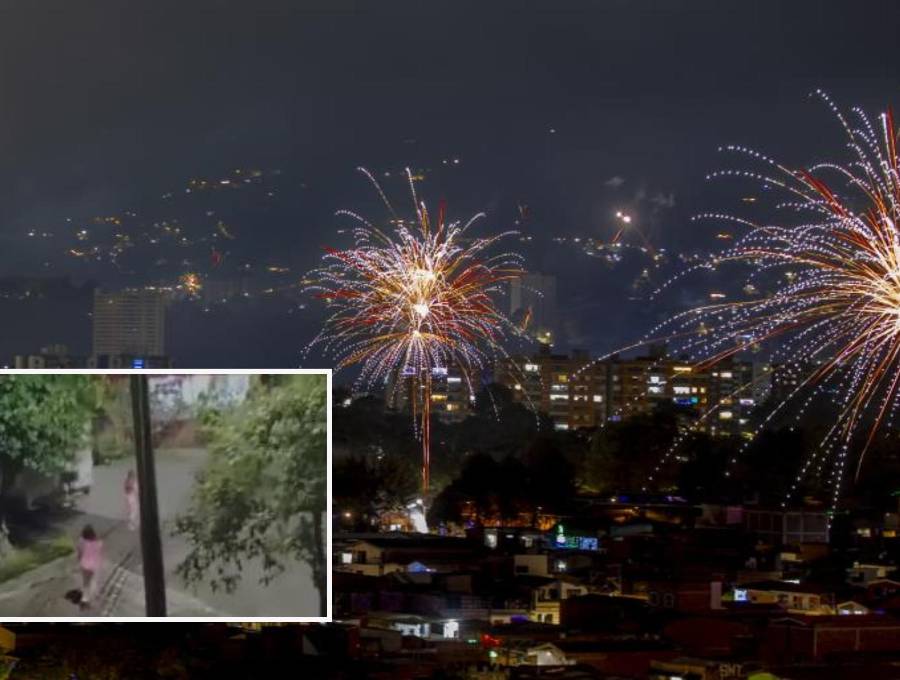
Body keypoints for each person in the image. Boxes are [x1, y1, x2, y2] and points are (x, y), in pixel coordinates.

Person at [76, 524, 103, 609]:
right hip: (94, 565)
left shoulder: (81, 541)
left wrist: (79, 560)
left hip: (84, 565)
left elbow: (79, 553)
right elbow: (99, 554)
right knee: (94, 581)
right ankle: (94, 596)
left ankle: (85, 599)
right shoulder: (98, 543)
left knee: (85, 582)